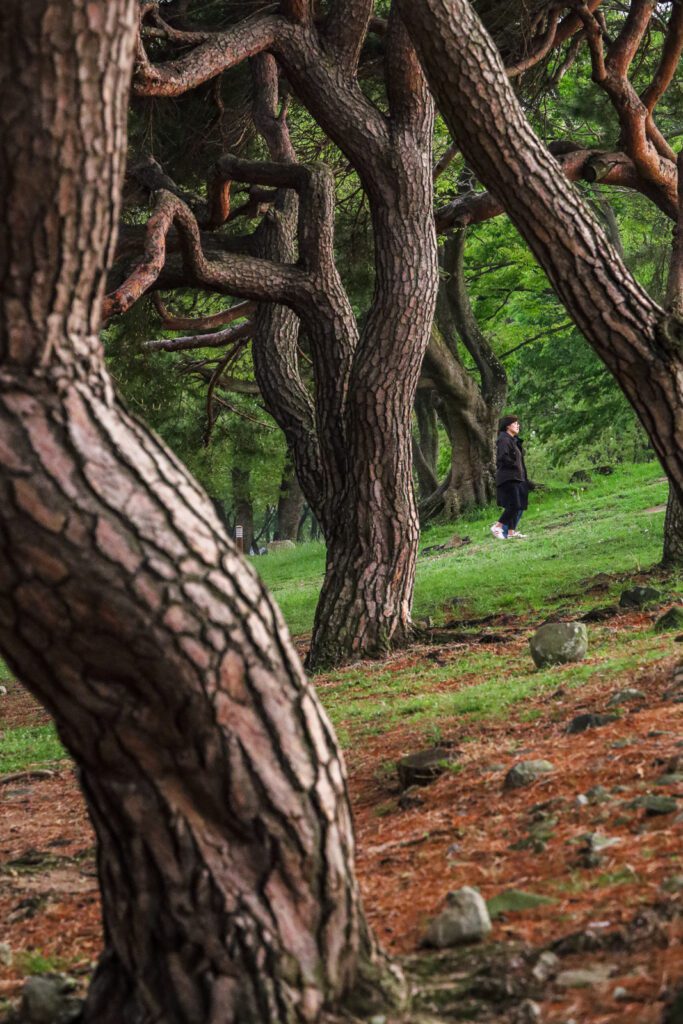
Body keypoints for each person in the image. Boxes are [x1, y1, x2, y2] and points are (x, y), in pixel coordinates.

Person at [491, 415, 529, 540]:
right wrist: (513, 465)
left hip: (516, 478)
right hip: (508, 477)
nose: (518, 425)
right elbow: (502, 457)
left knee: (517, 505)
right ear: (508, 426)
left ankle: (511, 533)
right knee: (514, 505)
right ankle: (497, 527)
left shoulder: (513, 440)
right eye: (515, 423)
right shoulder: (503, 439)